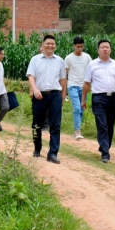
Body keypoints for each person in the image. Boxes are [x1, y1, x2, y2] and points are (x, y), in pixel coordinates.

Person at [82, 39, 115, 163]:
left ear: (110, 49)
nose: (105, 49)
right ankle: (105, 153)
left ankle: (105, 146)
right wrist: (83, 99)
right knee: (102, 125)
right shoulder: (92, 65)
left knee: (109, 125)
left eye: (107, 47)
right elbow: (87, 83)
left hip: (112, 98)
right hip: (98, 98)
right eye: (102, 47)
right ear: (98, 50)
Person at [26, 35, 67, 164]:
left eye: (52, 44)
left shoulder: (60, 60)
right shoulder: (35, 59)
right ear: (43, 45)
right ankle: (37, 147)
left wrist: (63, 96)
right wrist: (34, 89)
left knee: (55, 124)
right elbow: (31, 76)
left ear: (55, 46)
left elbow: (63, 80)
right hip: (40, 95)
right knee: (37, 123)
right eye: (48, 43)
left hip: (55, 94)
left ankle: (53, 153)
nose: (50, 46)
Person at [64, 36, 92, 140]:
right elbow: (65, 74)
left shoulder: (87, 57)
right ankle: (77, 131)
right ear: (74, 46)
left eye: (81, 46)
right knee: (76, 108)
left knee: (82, 109)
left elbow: (91, 72)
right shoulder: (69, 58)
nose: (80, 49)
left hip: (84, 86)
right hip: (72, 86)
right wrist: (65, 90)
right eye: (78, 46)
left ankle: (77, 129)